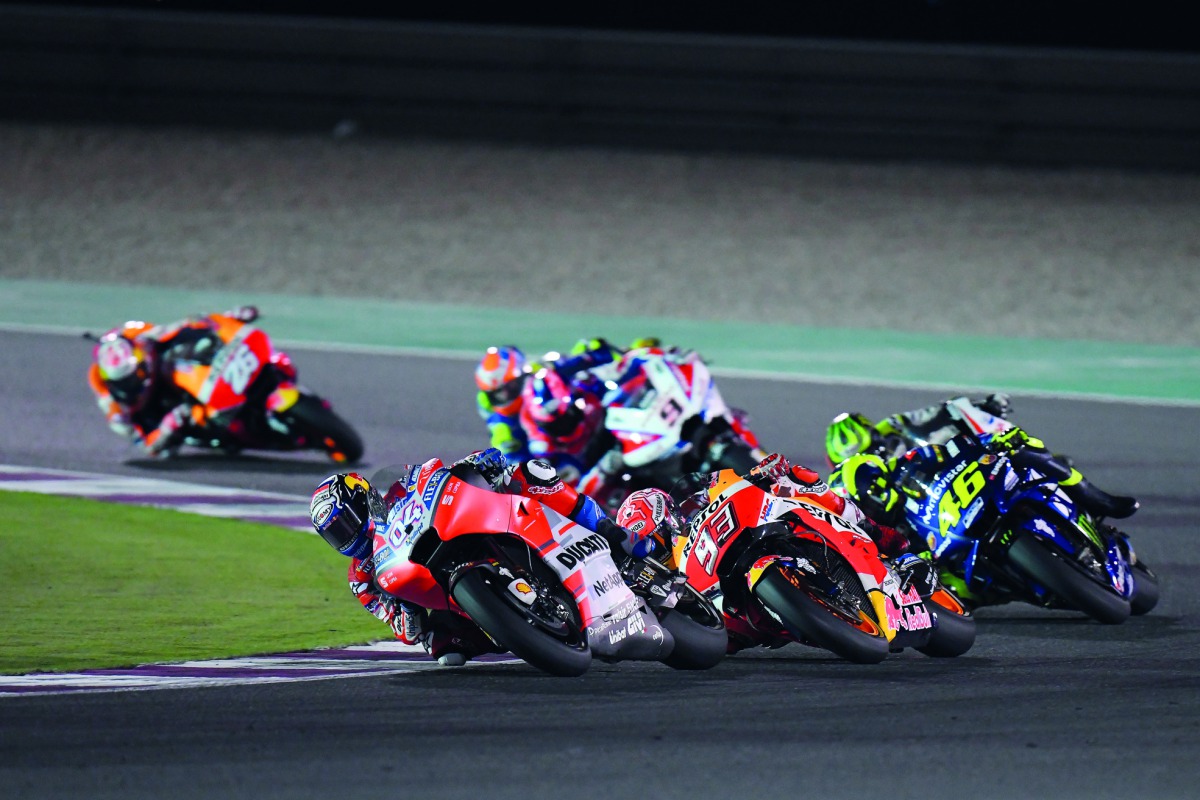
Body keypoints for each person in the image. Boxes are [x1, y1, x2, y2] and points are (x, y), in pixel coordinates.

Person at [310, 447, 642, 667]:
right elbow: (405, 631)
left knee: (532, 475)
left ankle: (607, 529)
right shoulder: (362, 579)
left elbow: (440, 480)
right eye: (336, 533)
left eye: (348, 522)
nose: (348, 536)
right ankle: (516, 625)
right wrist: (404, 602)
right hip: (442, 591)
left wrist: (475, 465)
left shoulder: (399, 490)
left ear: (366, 501)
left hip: (458, 532)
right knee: (443, 649)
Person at [614, 452, 912, 653]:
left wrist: (761, 474)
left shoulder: (693, 516)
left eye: (658, 536)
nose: (656, 548)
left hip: (745, 540)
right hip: (738, 619)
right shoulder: (658, 582)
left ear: (670, 518)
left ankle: (872, 529)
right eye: (648, 544)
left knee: (800, 480)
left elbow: (722, 486)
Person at [826, 395, 1138, 520]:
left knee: (1027, 451)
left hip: (965, 468)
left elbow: (943, 412)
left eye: (873, 446)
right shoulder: (856, 484)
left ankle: (1097, 499)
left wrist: (982, 408)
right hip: (935, 519)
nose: (875, 455)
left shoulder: (896, 426)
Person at [86, 305, 264, 458]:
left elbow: (178, 327)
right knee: (183, 427)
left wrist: (226, 318)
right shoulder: (114, 407)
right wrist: (168, 425)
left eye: (138, 370)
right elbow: (147, 446)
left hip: (166, 374)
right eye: (130, 379)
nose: (137, 378)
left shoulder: (132, 335)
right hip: (160, 413)